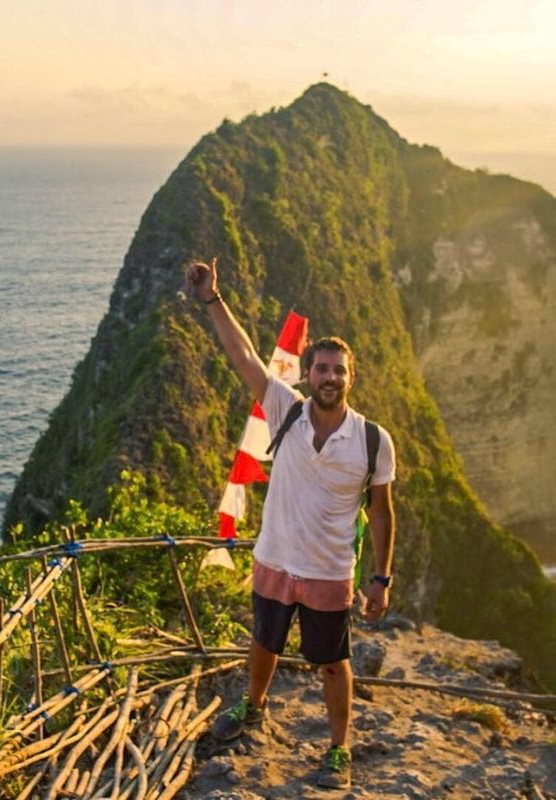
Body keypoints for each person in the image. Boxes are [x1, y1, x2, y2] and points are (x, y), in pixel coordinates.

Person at [186, 257, 396, 790]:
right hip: (276, 559)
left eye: (338, 370)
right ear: (309, 374)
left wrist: (380, 578)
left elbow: (381, 511)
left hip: (328, 571)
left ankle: (338, 748)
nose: (329, 377)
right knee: (264, 641)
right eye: (321, 368)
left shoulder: (373, 440)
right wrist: (213, 298)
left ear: (351, 378)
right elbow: (243, 355)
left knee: (332, 662)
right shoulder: (286, 411)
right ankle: (253, 707)